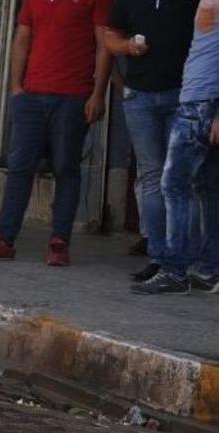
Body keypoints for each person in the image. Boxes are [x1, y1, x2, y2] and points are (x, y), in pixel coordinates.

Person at [0, 0, 112, 265]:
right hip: (31, 95)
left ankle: (59, 241)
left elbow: (104, 43)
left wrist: (98, 93)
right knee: (20, 167)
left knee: (66, 168)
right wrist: (15, 87)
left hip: (72, 95)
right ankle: (4, 238)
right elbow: (22, 37)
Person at [104, 0, 197, 284]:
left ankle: (180, 258)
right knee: (152, 176)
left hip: (181, 95)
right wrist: (128, 47)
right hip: (140, 97)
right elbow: (109, 37)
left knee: (179, 178)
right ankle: (158, 258)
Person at [131, 1, 219, 295]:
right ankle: (209, 268)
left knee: (173, 185)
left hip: (202, 104)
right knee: (206, 188)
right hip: (198, 99)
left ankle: (175, 270)